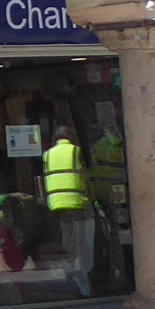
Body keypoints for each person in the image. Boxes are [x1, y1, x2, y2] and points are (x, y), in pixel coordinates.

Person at [42, 124, 95, 296]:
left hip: (59, 205)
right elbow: (85, 178)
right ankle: (83, 280)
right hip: (79, 204)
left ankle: (71, 275)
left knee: (68, 242)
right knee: (84, 244)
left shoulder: (47, 155)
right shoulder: (75, 152)